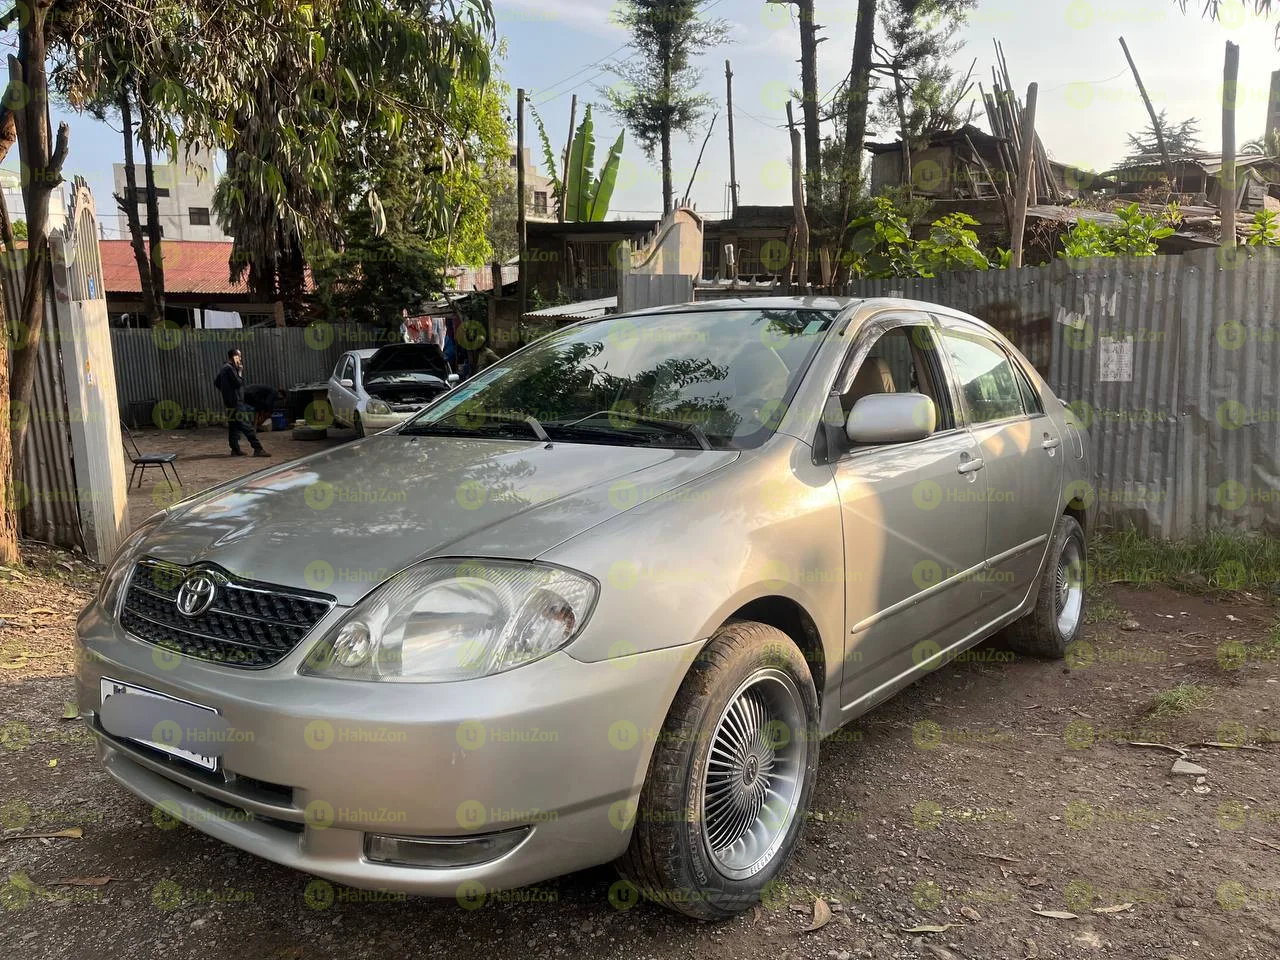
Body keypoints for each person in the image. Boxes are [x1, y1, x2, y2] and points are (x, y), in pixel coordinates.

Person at [214, 349, 270, 458]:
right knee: (246, 425)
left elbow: (216, 382)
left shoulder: (224, 368)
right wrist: (240, 372)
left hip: (229, 402)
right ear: (234, 357)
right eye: (239, 356)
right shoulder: (230, 369)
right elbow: (238, 383)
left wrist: (227, 392)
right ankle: (258, 448)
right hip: (236, 402)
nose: (240, 359)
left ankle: (235, 449)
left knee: (234, 426)